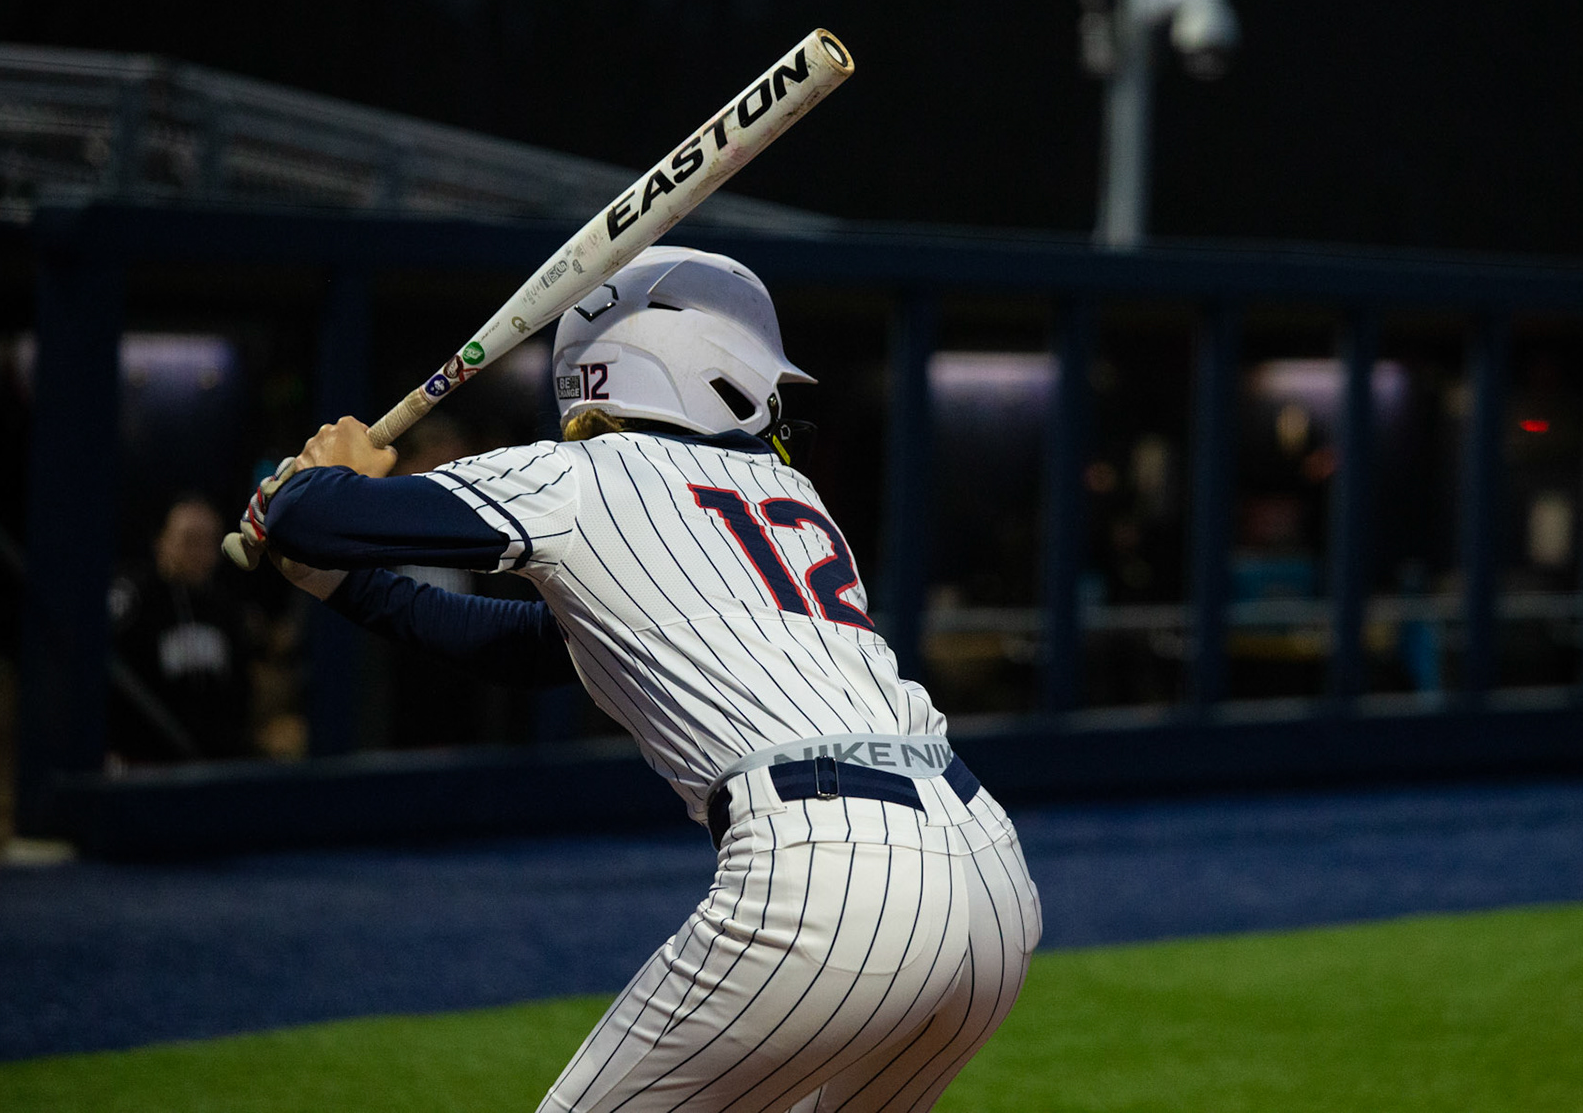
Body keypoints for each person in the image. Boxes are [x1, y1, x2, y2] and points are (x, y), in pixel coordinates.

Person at [240, 246, 1041, 1112]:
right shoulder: (794, 501)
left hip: (834, 874)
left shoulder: (578, 476)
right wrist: (326, 568)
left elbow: (312, 514)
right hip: (989, 869)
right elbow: (528, 644)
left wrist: (322, 478)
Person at [110, 495, 257, 762]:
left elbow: (240, 691)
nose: (200, 553)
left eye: (208, 542)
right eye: (189, 541)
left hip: (215, 762)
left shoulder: (225, 609)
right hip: (145, 760)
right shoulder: (136, 603)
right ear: (161, 542)